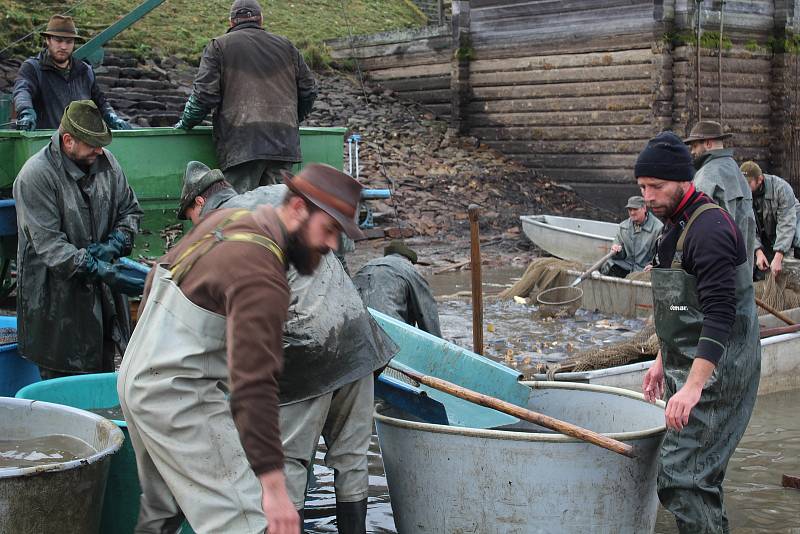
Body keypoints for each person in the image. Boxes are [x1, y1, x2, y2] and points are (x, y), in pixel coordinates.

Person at [118, 163, 365, 534]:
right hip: (180, 391)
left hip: (136, 377)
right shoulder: (262, 269)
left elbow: (156, 274)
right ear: (297, 208)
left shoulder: (227, 221)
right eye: (329, 230)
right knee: (248, 521)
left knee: (163, 511)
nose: (332, 245)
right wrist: (273, 488)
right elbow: (253, 385)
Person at [177, 161, 398, 532]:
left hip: (306, 353)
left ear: (199, 205)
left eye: (189, 218)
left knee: (287, 465)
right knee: (352, 458)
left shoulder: (226, 226)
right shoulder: (280, 198)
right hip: (357, 339)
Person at [636, 132, 760, 533]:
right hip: (688, 365)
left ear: (684, 181)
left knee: (682, 478)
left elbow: (720, 314)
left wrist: (692, 388)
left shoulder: (709, 230)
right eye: (642, 187)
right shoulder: (671, 230)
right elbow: (680, 309)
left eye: (657, 186)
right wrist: (661, 360)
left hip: (720, 371)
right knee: (698, 477)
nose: (648, 196)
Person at [13, 100, 142, 379]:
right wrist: (100, 269)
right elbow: (52, 248)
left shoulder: (107, 163)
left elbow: (130, 210)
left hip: (104, 305)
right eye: (92, 144)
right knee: (61, 390)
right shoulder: (35, 177)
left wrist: (115, 244)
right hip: (55, 309)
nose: (99, 150)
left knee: (101, 379)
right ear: (68, 140)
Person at [174, 0, 317, 193]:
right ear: (261, 19)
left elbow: (204, 96)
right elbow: (309, 90)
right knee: (278, 214)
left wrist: (185, 124)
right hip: (283, 143)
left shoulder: (218, 47)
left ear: (231, 21)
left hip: (241, 145)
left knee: (240, 213)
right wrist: (293, 119)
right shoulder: (287, 47)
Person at [12, 15, 132, 131]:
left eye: (69, 41)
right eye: (58, 40)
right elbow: (22, 91)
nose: (63, 46)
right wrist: (26, 112)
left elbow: (100, 101)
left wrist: (112, 117)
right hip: (47, 145)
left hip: (81, 144)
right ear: (48, 40)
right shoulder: (33, 68)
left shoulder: (85, 70)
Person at [684, 120, 756, 268]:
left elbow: (697, 227)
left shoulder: (707, 175)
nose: (692, 151)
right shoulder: (736, 172)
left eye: (695, 146)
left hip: (715, 270)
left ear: (708, 144)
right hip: (741, 268)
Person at [352, 240, 442, 337]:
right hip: (390, 334)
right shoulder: (409, 270)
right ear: (409, 259)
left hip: (356, 332)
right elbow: (428, 314)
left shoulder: (366, 267)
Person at [740, 160, 800, 279]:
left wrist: (779, 255)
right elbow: (747, 225)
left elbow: (787, 223)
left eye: (748, 182)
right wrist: (758, 251)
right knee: (758, 270)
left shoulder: (781, 188)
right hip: (766, 232)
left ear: (760, 179)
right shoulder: (742, 195)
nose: (744, 186)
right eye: (742, 182)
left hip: (792, 222)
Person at [600, 195, 662, 278]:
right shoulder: (623, 227)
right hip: (627, 266)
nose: (632, 212)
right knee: (608, 263)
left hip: (644, 269)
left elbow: (663, 254)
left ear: (644, 208)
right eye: (630, 209)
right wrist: (616, 250)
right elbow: (619, 255)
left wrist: (653, 266)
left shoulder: (658, 228)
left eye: (635, 209)